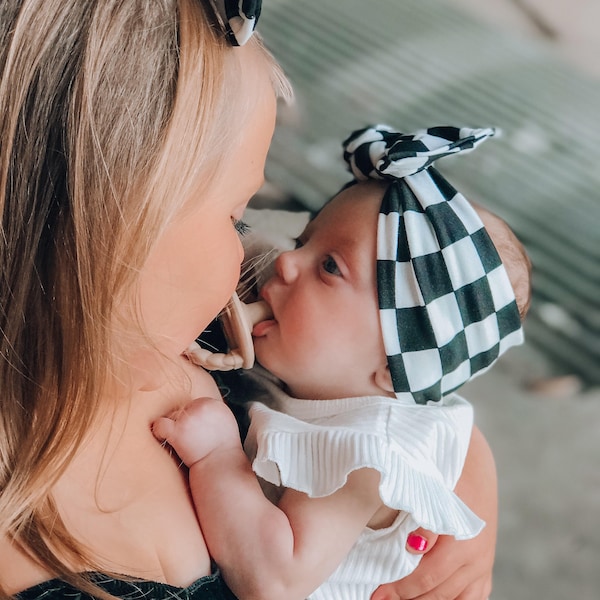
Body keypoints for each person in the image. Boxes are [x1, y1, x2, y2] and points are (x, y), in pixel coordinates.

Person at [0, 1, 502, 598]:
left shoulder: (198, 315)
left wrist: (458, 468)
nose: (271, 254)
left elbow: (389, 374)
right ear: (106, 232)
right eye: (237, 214)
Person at [153, 125, 531, 600]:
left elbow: (275, 578)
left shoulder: (363, 452)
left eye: (330, 266)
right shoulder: (340, 396)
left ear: (394, 369)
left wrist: (217, 458)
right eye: (305, 240)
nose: (286, 262)